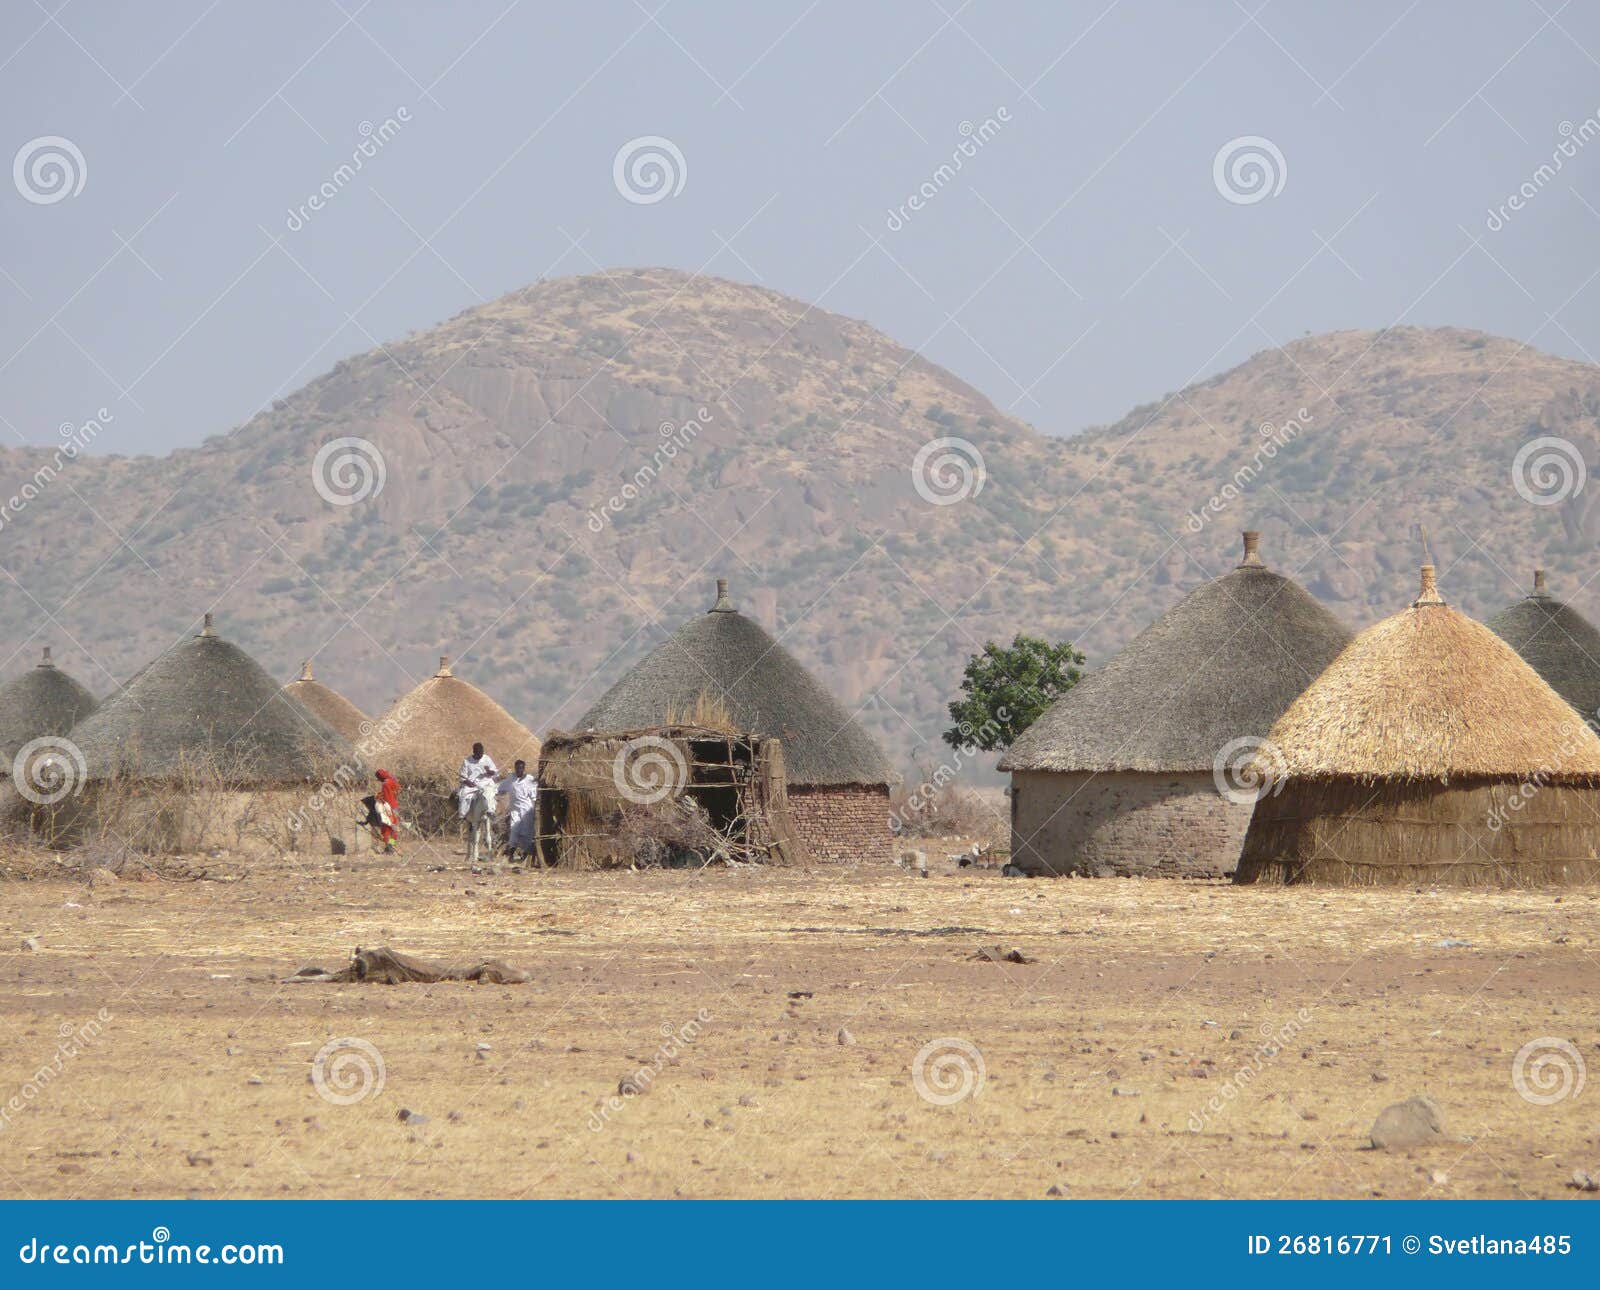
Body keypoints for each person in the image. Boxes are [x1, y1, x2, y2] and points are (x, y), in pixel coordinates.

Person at [458, 742, 499, 862]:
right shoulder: (467, 761)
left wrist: (489, 771)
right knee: (464, 795)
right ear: (474, 752)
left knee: (491, 794)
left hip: (486, 783)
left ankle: (491, 811)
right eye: (478, 753)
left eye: (481, 752)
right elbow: (462, 777)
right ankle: (463, 815)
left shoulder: (487, 759)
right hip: (472, 785)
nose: (480, 754)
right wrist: (468, 782)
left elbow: (494, 772)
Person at [497, 759, 539, 864]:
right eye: (517, 768)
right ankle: (510, 855)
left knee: (526, 832)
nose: (519, 770)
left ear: (524, 769)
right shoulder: (511, 779)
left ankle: (525, 856)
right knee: (514, 831)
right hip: (515, 810)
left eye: (521, 768)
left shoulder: (529, 780)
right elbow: (500, 788)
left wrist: (536, 810)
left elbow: (534, 797)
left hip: (526, 811)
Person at [374, 768, 401, 854]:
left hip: (387, 808)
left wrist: (378, 796)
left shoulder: (385, 784)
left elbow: (385, 797)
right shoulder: (392, 781)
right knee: (394, 827)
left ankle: (389, 848)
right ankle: (392, 845)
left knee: (386, 828)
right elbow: (398, 790)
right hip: (395, 807)